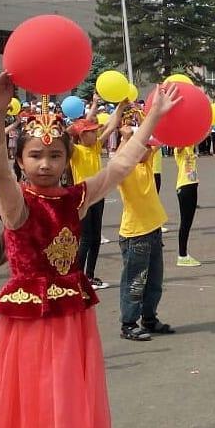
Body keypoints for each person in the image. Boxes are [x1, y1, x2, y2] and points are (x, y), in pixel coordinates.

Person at [0, 73, 178, 428]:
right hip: (36, 330)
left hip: (69, 324)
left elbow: (121, 164)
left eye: (55, 155)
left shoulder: (75, 198)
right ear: (20, 159)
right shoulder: (18, 206)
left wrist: (151, 119)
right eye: (35, 155)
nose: (45, 164)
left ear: (68, 158)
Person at [116, 123, 177, 341]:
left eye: (148, 148)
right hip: (135, 235)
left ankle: (149, 318)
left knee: (154, 281)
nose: (148, 150)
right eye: (144, 148)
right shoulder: (126, 171)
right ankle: (129, 324)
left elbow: (160, 140)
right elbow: (118, 161)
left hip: (153, 231)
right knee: (134, 282)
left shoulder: (147, 165)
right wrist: (125, 139)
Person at [68, 96, 126, 289]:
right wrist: (75, 128)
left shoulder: (95, 148)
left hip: (98, 197)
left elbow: (110, 125)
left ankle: (90, 276)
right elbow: (67, 136)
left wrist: (120, 106)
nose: (95, 134)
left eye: (94, 132)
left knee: (95, 238)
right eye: (90, 132)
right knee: (84, 240)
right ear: (82, 136)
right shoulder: (75, 151)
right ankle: (78, 277)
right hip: (82, 199)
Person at [174, 145, 201, 266]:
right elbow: (179, 146)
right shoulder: (179, 148)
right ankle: (182, 255)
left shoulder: (190, 147)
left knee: (188, 222)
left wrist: (209, 127)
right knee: (185, 222)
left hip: (192, 185)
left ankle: (184, 254)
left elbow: (200, 137)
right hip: (184, 187)